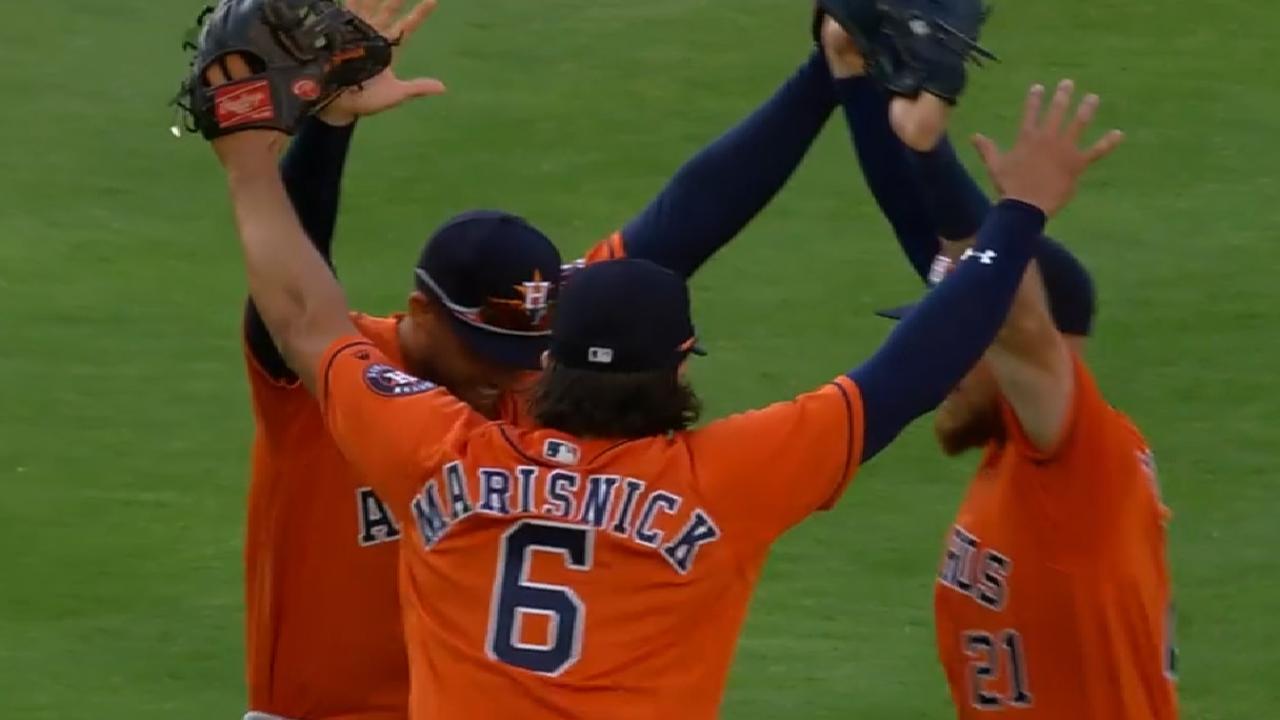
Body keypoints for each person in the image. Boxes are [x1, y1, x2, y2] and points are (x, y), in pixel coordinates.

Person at [208, 0, 1124, 695]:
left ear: (557, 351)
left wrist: (251, 142)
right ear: (679, 366)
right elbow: (910, 370)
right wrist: (1012, 217)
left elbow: (301, 309)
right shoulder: (722, 482)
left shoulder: (431, 445)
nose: (510, 366)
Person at [235, 1, 877, 717]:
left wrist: (828, 69)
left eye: (527, 350)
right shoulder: (319, 374)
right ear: (423, 313)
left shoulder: (542, 354)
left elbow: (691, 217)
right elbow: (292, 280)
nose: (515, 373)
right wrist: (329, 126)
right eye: (487, 350)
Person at [821, 29, 1177, 719]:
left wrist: (934, 154)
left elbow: (1007, 309)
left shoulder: (1081, 459)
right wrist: (855, 80)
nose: (942, 364)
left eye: (967, 345)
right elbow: (947, 264)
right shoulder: (1016, 455)